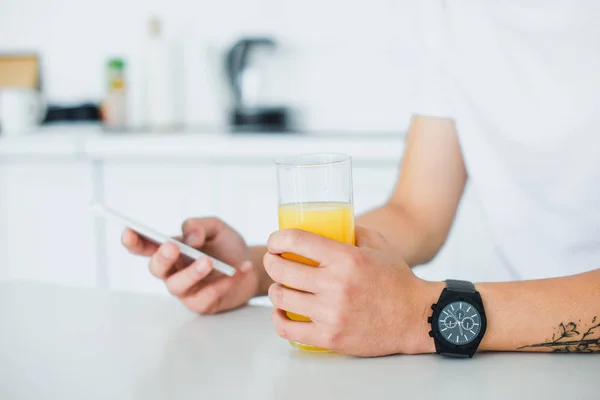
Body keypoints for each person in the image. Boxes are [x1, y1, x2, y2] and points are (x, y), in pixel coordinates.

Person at [122, 1, 600, 357]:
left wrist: (423, 316)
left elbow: (416, 309)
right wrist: (259, 271)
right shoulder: (458, 14)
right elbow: (416, 212)